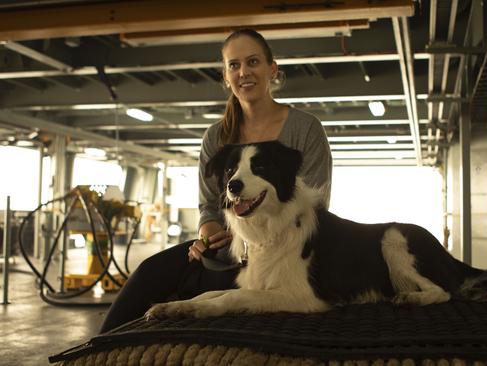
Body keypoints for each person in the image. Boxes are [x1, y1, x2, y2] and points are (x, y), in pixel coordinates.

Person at [99, 29, 332, 333]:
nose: (244, 72)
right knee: (148, 272)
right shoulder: (216, 136)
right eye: (234, 65)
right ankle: (98, 349)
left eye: (253, 62)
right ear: (225, 75)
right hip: (227, 254)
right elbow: (210, 204)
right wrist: (208, 233)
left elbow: (315, 206)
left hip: (284, 257)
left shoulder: (305, 129)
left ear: (271, 69)